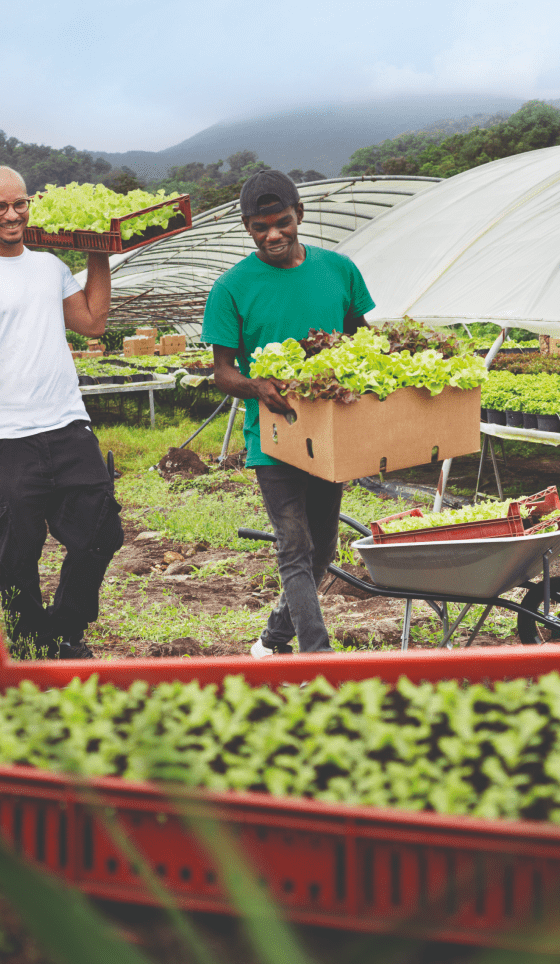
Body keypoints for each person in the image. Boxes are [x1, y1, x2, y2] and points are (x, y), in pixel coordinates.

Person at [0, 165, 123, 659]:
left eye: (19, 203)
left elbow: (92, 323)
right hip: (6, 435)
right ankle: (26, 638)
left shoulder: (50, 268)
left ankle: (64, 629)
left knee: (101, 531)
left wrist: (97, 253)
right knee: (16, 552)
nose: (12, 214)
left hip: (66, 424)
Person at [202, 169, 375, 656]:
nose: (273, 234)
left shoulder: (339, 270)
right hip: (272, 439)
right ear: (247, 228)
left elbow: (363, 341)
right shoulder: (231, 287)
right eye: (261, 228)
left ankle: (271, 639)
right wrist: (256, 386)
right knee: (294, 547)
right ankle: (318, 657)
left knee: (321, 553)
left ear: (299, 216)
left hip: (329, 434)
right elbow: (222, 371)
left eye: (282, 223)